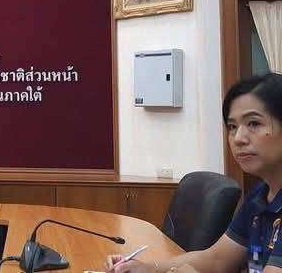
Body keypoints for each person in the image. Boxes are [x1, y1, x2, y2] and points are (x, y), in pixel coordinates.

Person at [106, 72, 282, 273]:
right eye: (232, 127)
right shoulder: (260, 195)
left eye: (254, 123)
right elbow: (217, 259)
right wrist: (148, 268)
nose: (238, 138)